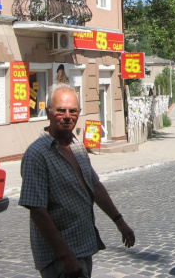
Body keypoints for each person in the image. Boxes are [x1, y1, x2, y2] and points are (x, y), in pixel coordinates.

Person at [19, 83, 135, 277]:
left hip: (82, 247)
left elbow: (95, 186)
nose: (67, 116)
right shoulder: (36, 154)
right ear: (48, 112)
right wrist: (66, 257)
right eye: (60, 110)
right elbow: (38, 212)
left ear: (79, 112)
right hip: (59, 258)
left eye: (73, 111)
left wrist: (119, 222)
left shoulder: (77, 146)